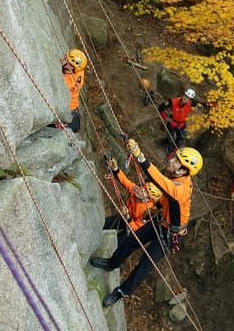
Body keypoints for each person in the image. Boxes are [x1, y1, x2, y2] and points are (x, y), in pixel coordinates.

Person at [89, 139, 202, 307]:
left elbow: (159, 181)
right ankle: (112, 263)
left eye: (176, 161)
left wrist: (140, 156)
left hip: (170, 234)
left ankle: (121, 292)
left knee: (145, 265)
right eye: (175, 158)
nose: (171, 161)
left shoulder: (180, 189)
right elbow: (160, 193)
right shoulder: (177, 180)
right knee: (131, 241)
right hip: (160, 221)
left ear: (184, 169)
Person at [102, 156, 162, 241]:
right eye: (143, 188)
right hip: (124, 218)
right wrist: (116, 169)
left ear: (148, 199)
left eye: (144, 192)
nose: (141, 190)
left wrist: (128, 217)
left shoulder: (148, 212)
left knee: (116, 242)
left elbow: (137, 229)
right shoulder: (137, 190)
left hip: (131, 228)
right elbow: (125, 182)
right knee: (102, 224)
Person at [158, 88, 210, 153]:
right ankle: (170, 152)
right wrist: (166, 118)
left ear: (190, 99)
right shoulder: (173, 102)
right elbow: (161, 107)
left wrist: (211, 105)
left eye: (188, 98)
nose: (185, 98)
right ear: (183, 95)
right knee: (170, 139)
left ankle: (176, 150)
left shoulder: (191, 103)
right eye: (185, 96)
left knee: (181, 139)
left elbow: (202, 105)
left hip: (182, 124)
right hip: (172, 123)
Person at [59, 49, 86, 133]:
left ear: (70, 67)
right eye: (65, 57)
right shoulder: (79, 70)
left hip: (69, 115)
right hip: (73, 112)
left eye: (66, 60)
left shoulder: (68, 81)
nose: (62, 59)